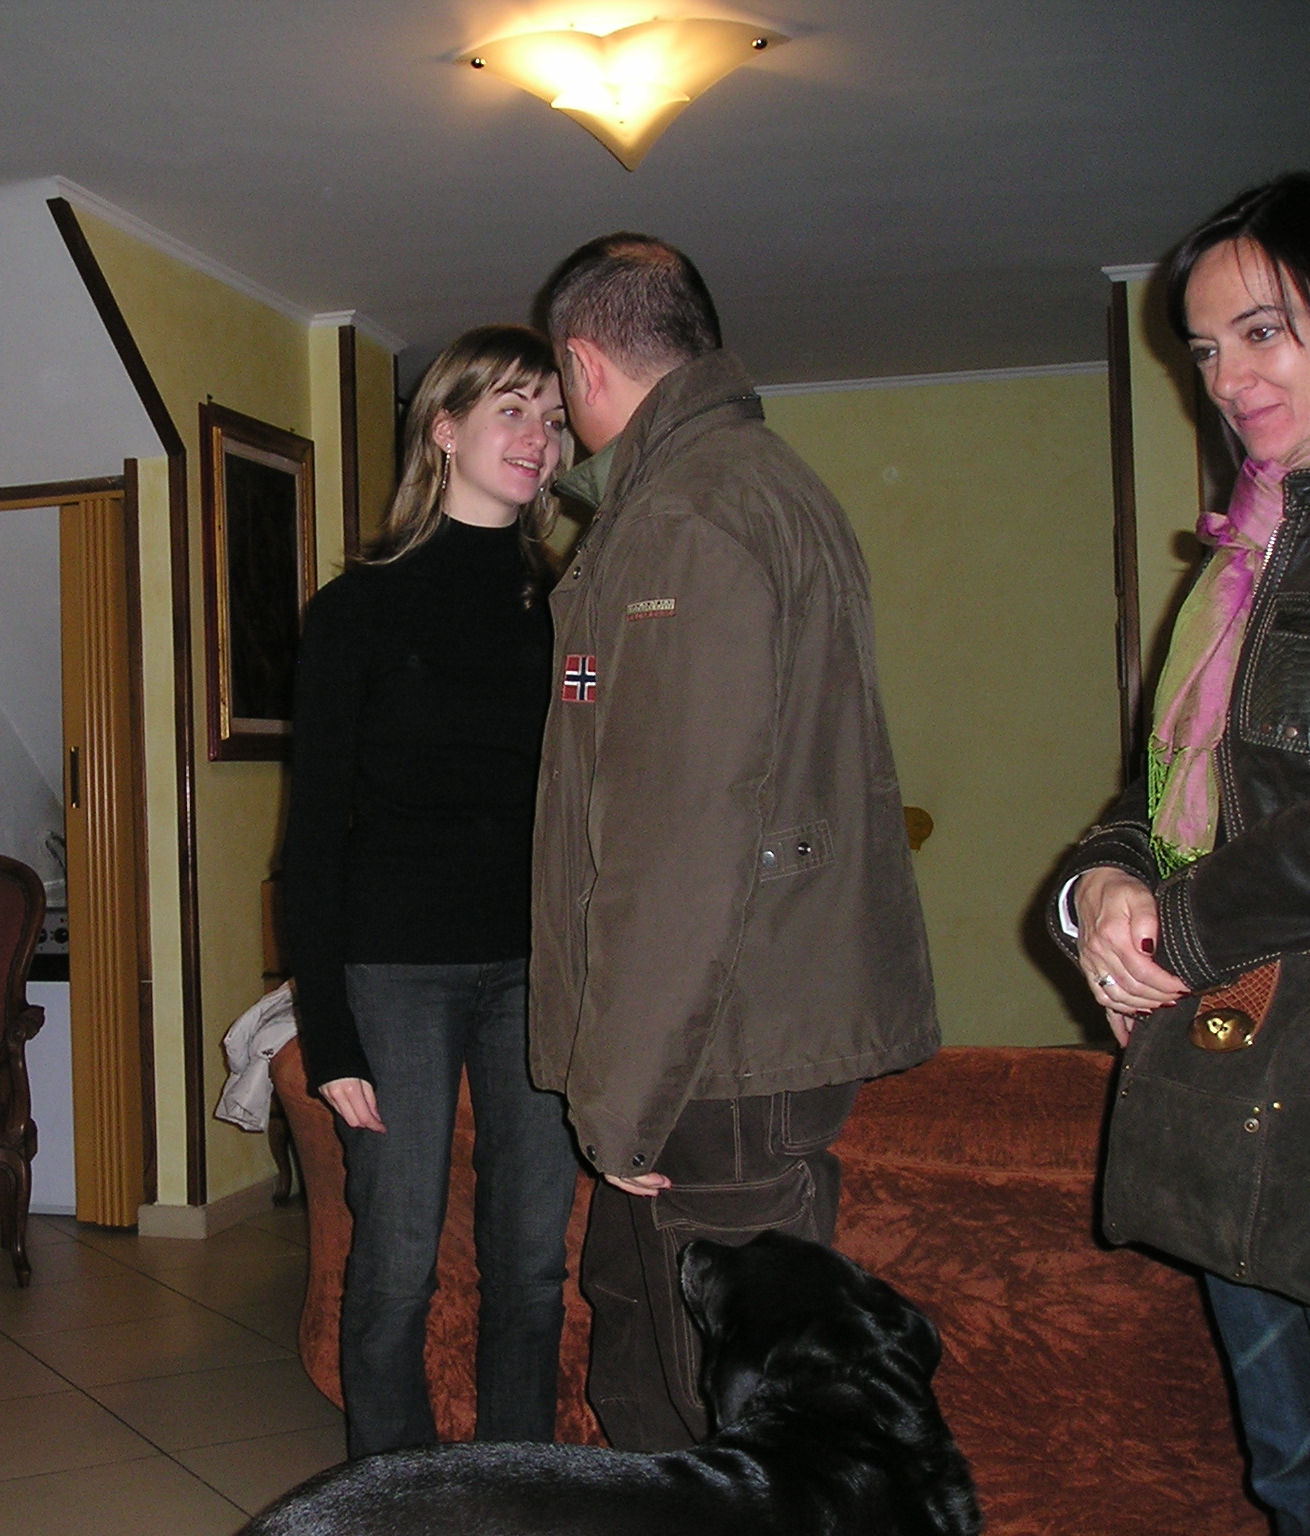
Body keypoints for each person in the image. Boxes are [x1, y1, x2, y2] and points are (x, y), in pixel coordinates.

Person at [527, 234, 939, 1452]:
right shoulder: (755, 482)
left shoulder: (682, 516)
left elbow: (675, 835)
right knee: (645, 1350)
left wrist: (619, 1097)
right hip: (732, 1036)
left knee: (733, 1412)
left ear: (582, 361)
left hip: (717, 1052)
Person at [1051, 171, 1310, 1534]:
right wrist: (1102, 886)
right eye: (1207, 347)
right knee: (1292, 1481)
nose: (1227, 378)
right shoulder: (1246, 556)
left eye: (1263, 331)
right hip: (1237, 1080)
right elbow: (1173, 785)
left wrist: (1176, 929)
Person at [283, 324, 580, 1458]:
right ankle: (393, 1500)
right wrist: (329, 1033)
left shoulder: (570, 605)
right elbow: (314, 833)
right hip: (394, 971)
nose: (539, 434)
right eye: (512, 408)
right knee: (397, 1261)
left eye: (554, 416)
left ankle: (515, 1495)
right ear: (444, 429)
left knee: (531, 1265)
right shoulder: (354, 610)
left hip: (537, 971)